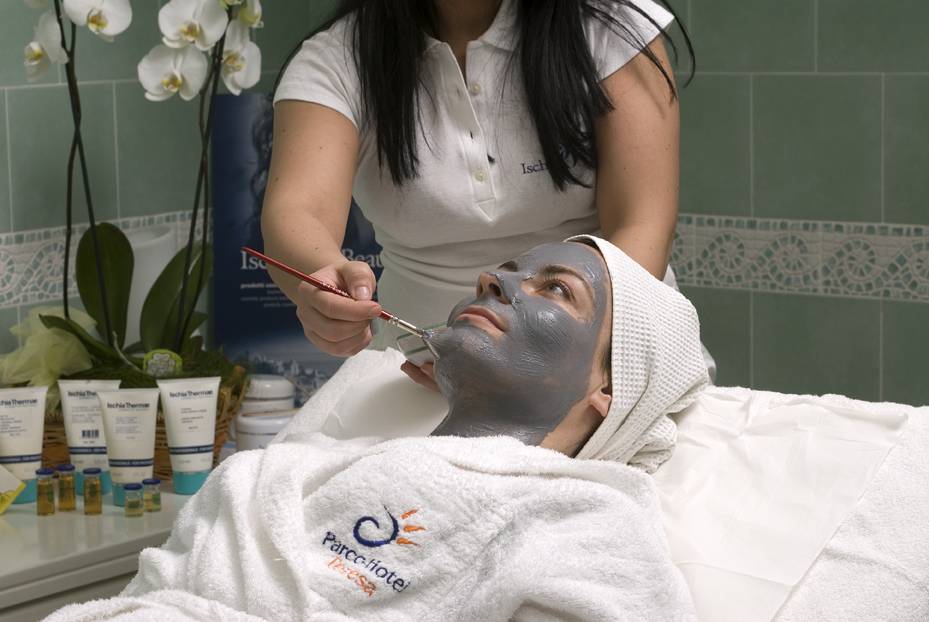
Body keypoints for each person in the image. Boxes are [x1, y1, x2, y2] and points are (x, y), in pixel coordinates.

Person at [43, 238, 708, 622]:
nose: (494, 280)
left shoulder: (587, 525)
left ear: (611, 390)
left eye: (557, 290)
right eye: (507, 271)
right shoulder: (289, 470)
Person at [261, 0, 696, 388]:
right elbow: (298, 212)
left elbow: (643, 223)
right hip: (423, 374)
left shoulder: (611, 26)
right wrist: (324, 281)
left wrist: (563, 367)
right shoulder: (335, 60)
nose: (491, 285)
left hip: (606, 363)